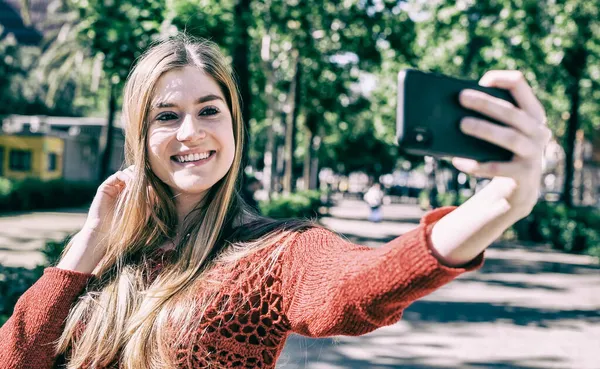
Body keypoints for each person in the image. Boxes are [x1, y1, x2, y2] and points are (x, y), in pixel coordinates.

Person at [0, 34, 551, 369]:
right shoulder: (105, 261)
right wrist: (87, 246)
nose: (191, 132)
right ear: (140, 136)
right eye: (167, 116)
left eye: (210, 110)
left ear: (235, 126)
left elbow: (359, 286)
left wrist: (502, 201)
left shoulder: (274, 254)